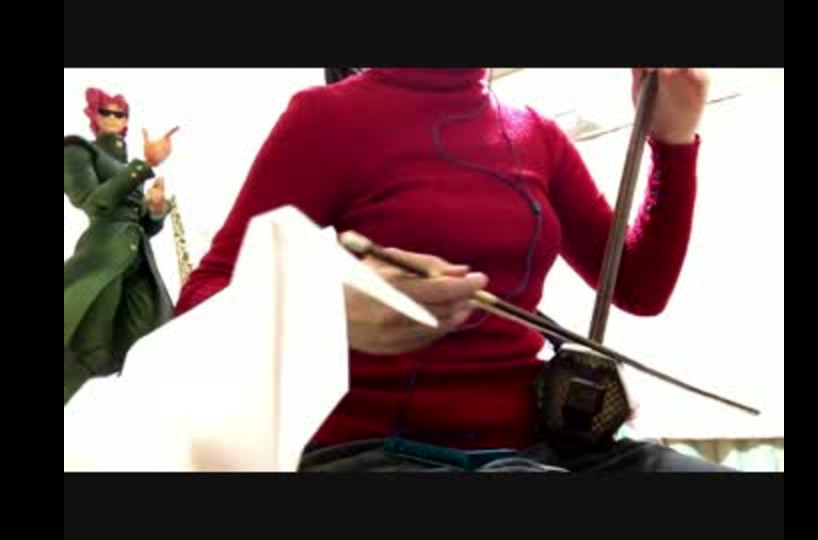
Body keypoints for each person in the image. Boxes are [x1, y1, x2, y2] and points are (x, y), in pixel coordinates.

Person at [176, 68, 731, 471]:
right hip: (374, 453)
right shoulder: (326, 117)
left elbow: (638, 286)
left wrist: (673, 138)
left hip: (536, 448)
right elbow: (202, 295)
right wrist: (327, 309)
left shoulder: (537, 134)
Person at [64, 87, 179, 405]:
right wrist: (144, 165)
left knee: (143, 343)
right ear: (94, 115)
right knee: (91, 344)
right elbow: (93, 202)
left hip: (139, 259)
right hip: (103, 257)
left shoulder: (127, 166)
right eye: (107, 112)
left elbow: (143, 224)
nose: (114, 118)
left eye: (121, 113)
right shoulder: (77, 149)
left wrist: (155, 209)